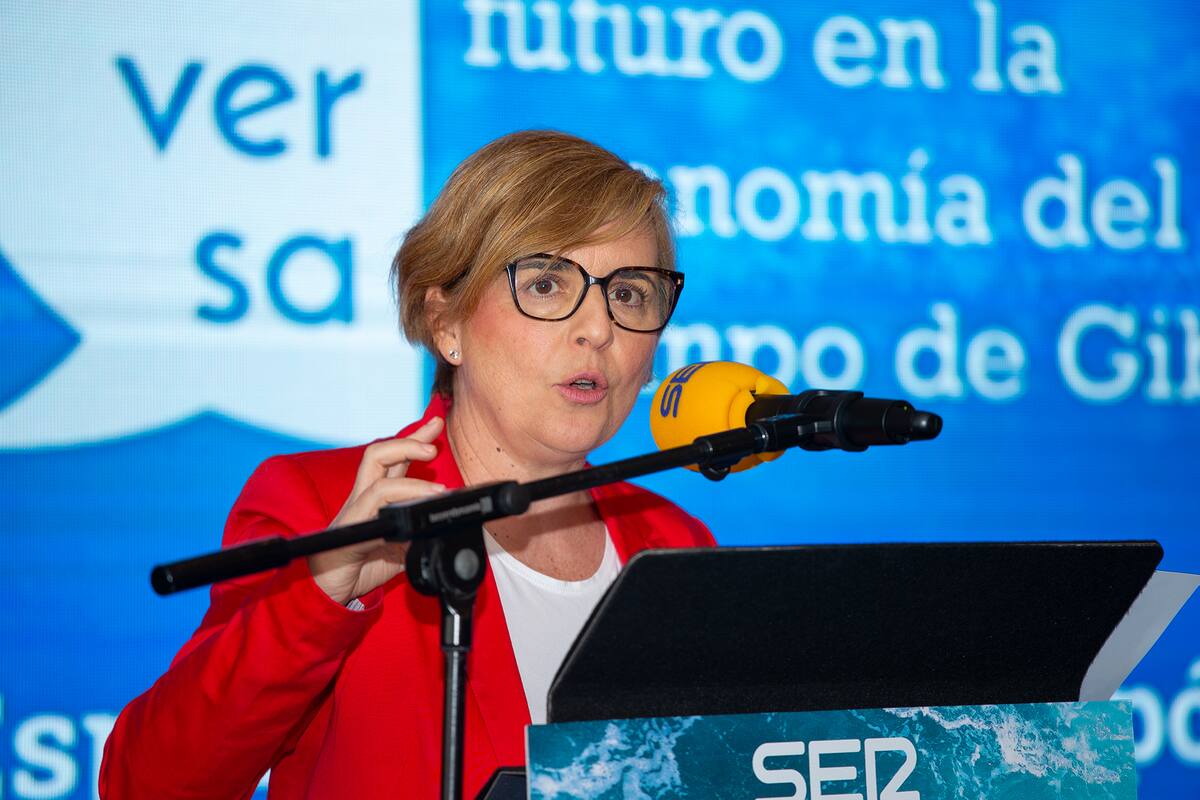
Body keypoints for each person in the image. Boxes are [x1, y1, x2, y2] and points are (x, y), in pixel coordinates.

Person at [99, 130, 714, 799]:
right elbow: (146, 783)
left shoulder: (676, 546)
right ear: (446, 323)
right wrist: (321, 594)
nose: (598, 328)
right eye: (546, 283)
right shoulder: (322, 506)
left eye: (629, 294)